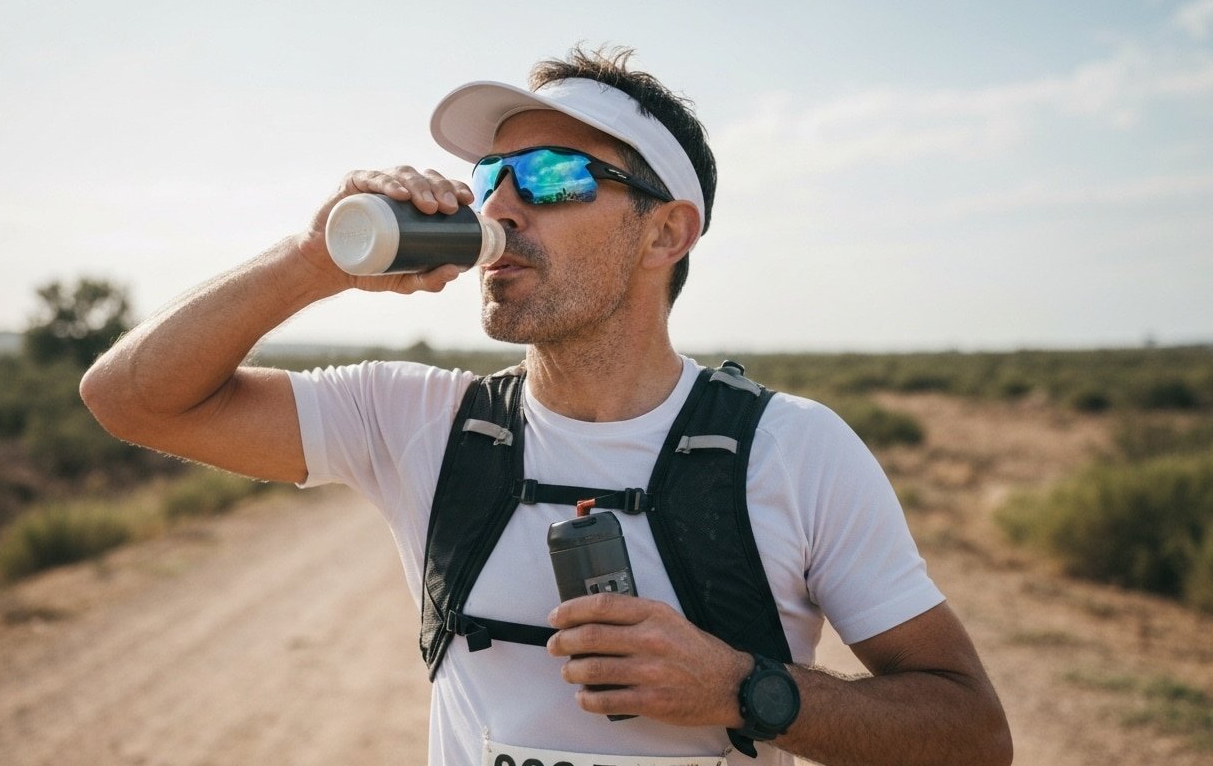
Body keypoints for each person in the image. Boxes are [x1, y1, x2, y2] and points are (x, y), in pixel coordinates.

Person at [82, 46, 1012, 766]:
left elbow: (972, 734)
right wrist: (314, 257)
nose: (504, 211)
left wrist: (742, 690)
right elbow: (129, 398)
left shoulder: (793, 449)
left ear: (666, 231)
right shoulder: (419, 422)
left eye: (556, 177)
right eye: (492, 180)